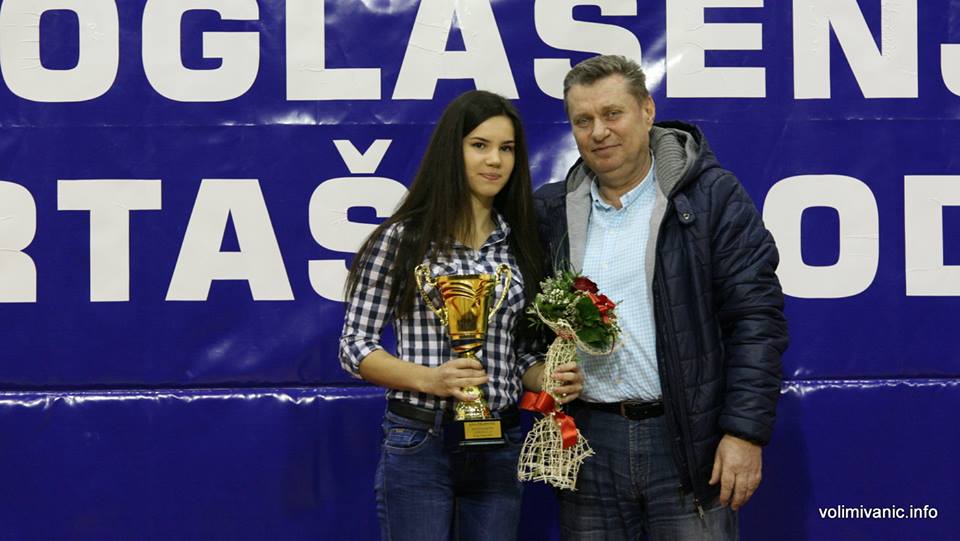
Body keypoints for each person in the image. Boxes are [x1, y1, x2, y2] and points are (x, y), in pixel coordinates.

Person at [534, 55, 788, 540]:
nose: (599, 132)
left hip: (689, 441)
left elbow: (756, 319)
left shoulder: (712, 196)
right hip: (587, 443)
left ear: (647, 111)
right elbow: (525, 324)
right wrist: (540, 372)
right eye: (583, 121)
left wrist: (743, 432)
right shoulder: (551, 209)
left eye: (612, 113)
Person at [339, 90, 583, 541]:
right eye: (479, 145)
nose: (495, 160)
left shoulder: (522, 245)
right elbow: (354, 347)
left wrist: (548, 377)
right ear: (451, 150)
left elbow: (521, 352)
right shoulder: (402, 239)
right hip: (421, 439)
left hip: (500, 442)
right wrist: (430, 380)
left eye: (506, 148)